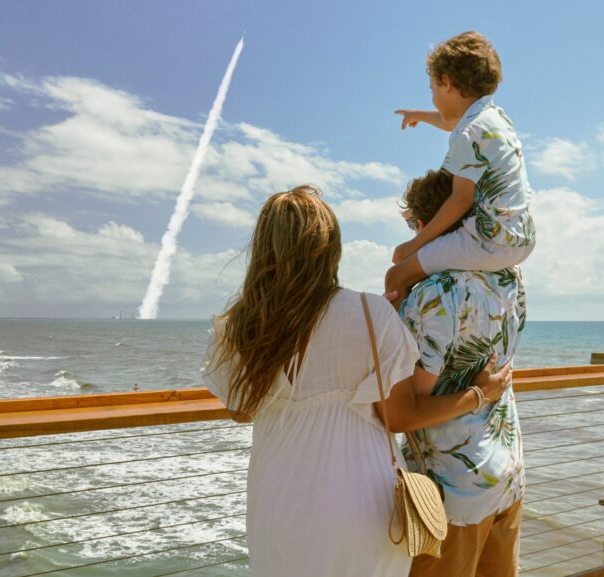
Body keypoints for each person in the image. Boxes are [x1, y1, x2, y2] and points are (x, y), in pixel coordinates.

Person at [202, 185, 512, 577]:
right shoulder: (371, 313)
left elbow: (240, 411)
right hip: (363, 501)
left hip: (277, 495)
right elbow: (399, 412)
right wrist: (479, 394)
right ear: (331, 248)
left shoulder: (236, 326)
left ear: (264, 248)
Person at [397, 169, 526, 577]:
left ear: (424, 227)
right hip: (506, 475)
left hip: (452, 494)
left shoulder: (432, 295)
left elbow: (407, 411)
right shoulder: (510, 279)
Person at [387, 31, 535, 306]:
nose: (432, 98)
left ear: (446, 81)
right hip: (520, 237)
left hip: (488, 240)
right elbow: (448, 120)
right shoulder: (493, 118)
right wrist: (418, 114)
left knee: (396, 274)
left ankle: (397, 347)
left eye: (432, 90)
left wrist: (414, 245)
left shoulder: (469, 132)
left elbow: (460, 199)